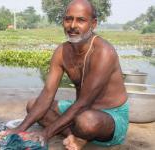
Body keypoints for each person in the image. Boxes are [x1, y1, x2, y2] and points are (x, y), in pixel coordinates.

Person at [7, 0, 129, 149]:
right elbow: (47, 95)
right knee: (33, 105)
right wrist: (19, 129)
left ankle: (79, 133)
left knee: (86, 121)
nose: (72, 25)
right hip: (79, 109)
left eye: (81, 20)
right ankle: (73, 135)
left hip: (108, 114)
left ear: (93, 24)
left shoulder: (103, 52)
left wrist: (46, 133)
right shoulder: (61, 52)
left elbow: (84, 103)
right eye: (68, 19)